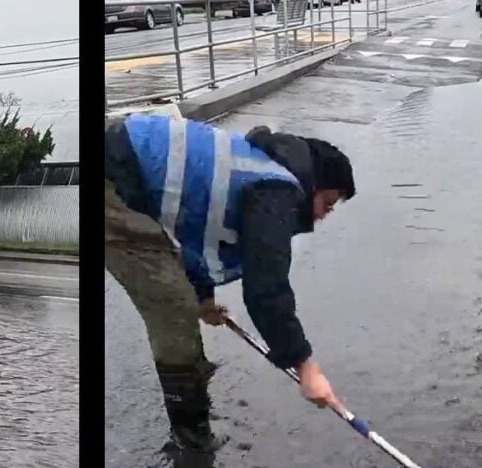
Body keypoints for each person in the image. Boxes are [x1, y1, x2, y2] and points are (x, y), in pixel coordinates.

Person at [105, 111, 356, 444]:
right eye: (328, 202)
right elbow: (266, 287)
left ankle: (192, 382)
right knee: (173, 311)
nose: (325, 215)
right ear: (313, 185)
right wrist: (305, 367)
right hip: (114, 171)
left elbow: (192, 229)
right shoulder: (276, 189)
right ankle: (191, 433)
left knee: (180, 297)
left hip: (126, 162)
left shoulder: (257, 169)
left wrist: (204, 299)